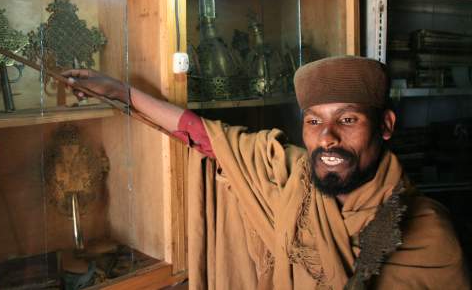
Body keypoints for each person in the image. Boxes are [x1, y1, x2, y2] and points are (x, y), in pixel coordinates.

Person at [63, 56, 469, 289]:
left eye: (347, 120)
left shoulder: (427, 233)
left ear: (385, 126)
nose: (327, 139)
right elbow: (206, 136)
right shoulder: (287, 173)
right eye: (313, 122)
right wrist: (119, 92)